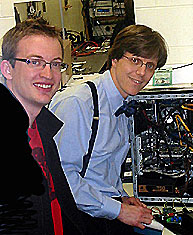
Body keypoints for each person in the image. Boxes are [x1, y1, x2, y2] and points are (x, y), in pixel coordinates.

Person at [49, 24, 168, 234]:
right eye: (135, 60)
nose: (142, 72)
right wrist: (119, 210)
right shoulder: (79, 103)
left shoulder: (124, 103)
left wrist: (121, 197)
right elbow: (62, 179)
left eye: (150, 66)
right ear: (114, 59)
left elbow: (101, 169)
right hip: (77, 218)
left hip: (101, 209)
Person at [0, 18, 90, 234]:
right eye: (34, 61)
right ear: (7, 69)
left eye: (55, 64)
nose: (48, 74)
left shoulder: (42, 127)